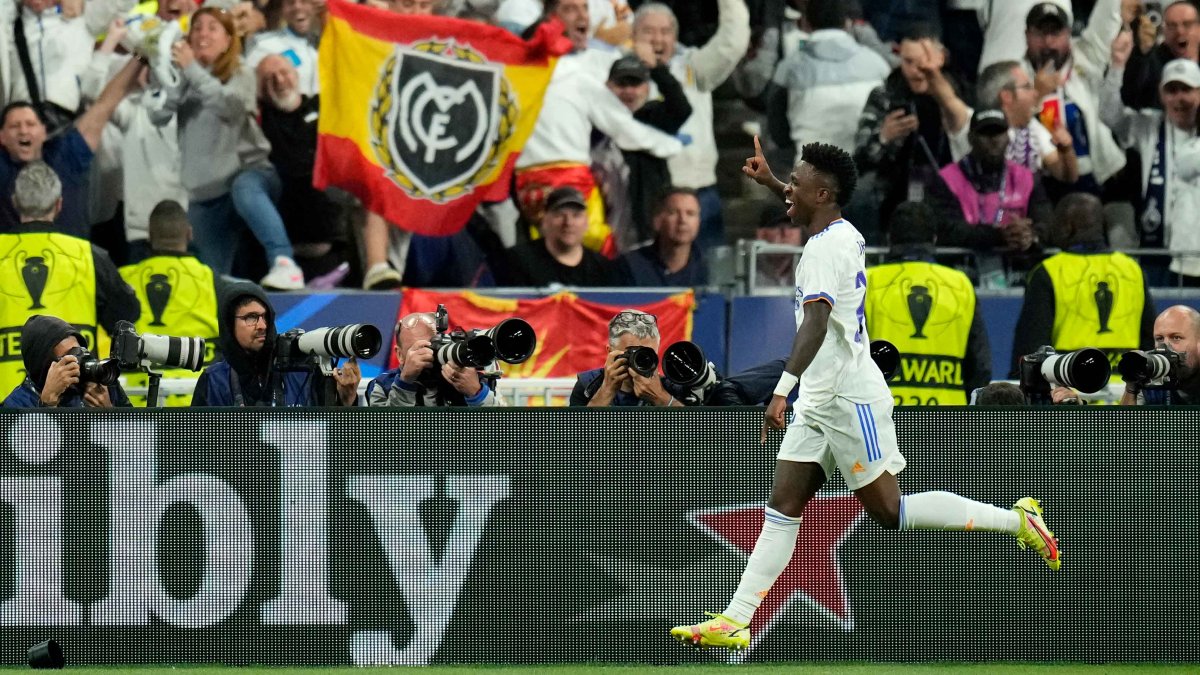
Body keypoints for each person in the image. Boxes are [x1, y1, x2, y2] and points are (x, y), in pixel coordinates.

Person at [671, 141, 1060, 651]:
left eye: (796, 182)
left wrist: (781, 391)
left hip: (847, 398)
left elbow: (814, 325)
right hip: (820, 396)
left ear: (822, 193)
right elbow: (807, 204)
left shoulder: (823, 249)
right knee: (783, 507)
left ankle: (1016, 520)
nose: (789, 189)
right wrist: (771, 182)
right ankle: (736, 619)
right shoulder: (842, 231)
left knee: (890, 512)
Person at [152, 6, 305, 290]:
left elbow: (229, 108)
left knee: (244, 188)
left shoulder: (242, 73)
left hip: (249, 174)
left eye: (213, 28)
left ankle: (284, 262)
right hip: (206, 192)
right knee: (211, 283)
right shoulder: (185, 76)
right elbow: (157, 115)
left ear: (227, 40)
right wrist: (175, 81)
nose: (203, 34)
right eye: (197, 27)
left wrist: (192, 70)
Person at [516, 0, 682, 257]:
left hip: (527, 188)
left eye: (585, 7)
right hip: (570, 179)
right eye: (571, 9)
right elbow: (622, 128)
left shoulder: (511, 79)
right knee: (598, 251)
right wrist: (670, 145)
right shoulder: (575, 76)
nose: (582, 15)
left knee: (546, 256)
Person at [0, 161, 139, 395]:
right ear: (59, 204)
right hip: (77, 401)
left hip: (6, 401)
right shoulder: (89, 257)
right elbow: (127, 314)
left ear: (14, 202)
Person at [630, 0, 750, 251]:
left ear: (675, 36)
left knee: (708, 270)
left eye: (665, 31)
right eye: (648, 31)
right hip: (646, 196)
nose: (657, 39)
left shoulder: (693, 66)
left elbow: (733, 41)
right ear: (633, 36)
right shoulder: (621, 74)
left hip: (698, 190)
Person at [1009, 192, 1155, 378]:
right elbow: (1150, 338)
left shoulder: (1049, 271)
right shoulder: (1132, 269)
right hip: (1125, 388)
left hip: (1071, 386)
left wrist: (1020, 380)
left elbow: (1032, 342)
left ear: (1067, 226)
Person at [0, 57, 145, 237]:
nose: (23, 131)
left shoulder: (67, 155)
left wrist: (141, 56)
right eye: (15, 126)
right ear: (2, 137)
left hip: (72, 255)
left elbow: (105, 105)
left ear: (43, 131)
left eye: (30, 124)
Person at [865, 201, 991, 406]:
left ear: (889, 238)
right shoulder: (960, 284)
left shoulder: (868, 281)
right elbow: (980, 365)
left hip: (882, 414)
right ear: (934, 239)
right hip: (948, 414)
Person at [854, 25, 972, 233]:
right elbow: (859, 160)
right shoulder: (885, 95)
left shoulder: (958, 93)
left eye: (922, 62)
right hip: (894, 195)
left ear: (940, 59)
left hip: (951, 193)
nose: (916, 71)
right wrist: (883, 137)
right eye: (908, 62)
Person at [1102, 57, 1200, 285]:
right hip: (1155, 251)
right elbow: (1109, 115)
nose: (1179, 98)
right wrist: (1116, 66)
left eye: (1186, 90)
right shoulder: (1149, 127)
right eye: (1171, 90)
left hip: (1195, 255)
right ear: (1161, 94)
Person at [927, 108, 1050, 286]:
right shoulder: (947, 179)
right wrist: (998, 236)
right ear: (970, 138)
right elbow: (947, 230)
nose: (993, 140)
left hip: (1019, 274)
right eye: (985, 134)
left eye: (998, 133)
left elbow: (1046, 222)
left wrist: (1030, 236)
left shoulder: (1026, 178)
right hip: (962, 275)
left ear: (1008, 138)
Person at [118, 200, 222, 406]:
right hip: (196, 401)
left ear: (149, 236)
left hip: (135, 400)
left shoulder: (122, 278)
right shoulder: (210, 279)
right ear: (189, 234)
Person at [190, 281, 360, 406]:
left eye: (265, 317)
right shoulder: (213, 381)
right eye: (251, 317)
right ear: (229, 324)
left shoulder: (305, 372)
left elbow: (333, 436)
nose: (262, 325)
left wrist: (346, 401)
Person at [767, 0, 890, 157]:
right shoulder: (878, 64)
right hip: (866, 168)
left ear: (805, 23)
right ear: (847, 23)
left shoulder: (789, 69)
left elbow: (778, 134)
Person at [596, 52, 692, 250]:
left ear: (647, 88)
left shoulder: (653, 117)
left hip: (645, 225)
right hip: (601, 221)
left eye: (636, 84)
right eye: (621, 84)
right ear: (607, 87)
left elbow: (681, 108)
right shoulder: (594, 121)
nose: (629, 91)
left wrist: (657, 69)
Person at [968, 59, 1078, 184]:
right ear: (1007, 96)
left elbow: (1066, 176)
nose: (1035, 93)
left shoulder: (1032, 127)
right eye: (1027, 87)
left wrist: (1066, 150)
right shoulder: (974, 127)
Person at [366, 311, 502, 407]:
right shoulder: (383, 385)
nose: (427, 353)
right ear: (400, 355)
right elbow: (386, 435)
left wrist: (476, 393)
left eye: (433, 345)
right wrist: (405, 383)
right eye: (418, 349)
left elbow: (502, 432)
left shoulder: (472, 379)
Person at [1, 314, 131, 408]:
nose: (79, 364)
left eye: (82, 353)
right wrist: (47, 404)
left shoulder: (104, 385)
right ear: (45, 368)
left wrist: (109, 413)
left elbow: (136, 436)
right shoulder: (16, 404)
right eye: (70, 358)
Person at [569, 308, 689, 406]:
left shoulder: (670, 388)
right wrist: (606, 391)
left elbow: (695, 427)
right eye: (631, 353)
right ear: (610, 352)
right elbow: (576, 429)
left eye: (646, 354)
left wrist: (662, 398)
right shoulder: (588, 385)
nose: (639, 361)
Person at [500, 187, 615, 286]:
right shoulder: (517, 262)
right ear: (545, 221)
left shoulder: (603, 269)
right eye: (559, 215)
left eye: (576, 216)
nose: (568, 222)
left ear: (586, 223)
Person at [617, 187, 706, 287]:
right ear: (657, 221)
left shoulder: (709, 269)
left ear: (699, 222)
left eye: (690, 213)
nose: (683, 220)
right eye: (673, 212)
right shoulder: (630, 266)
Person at [1122, 0, 1200, 109]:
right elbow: (1130, 96)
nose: (1180, 31)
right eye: (1172, 26)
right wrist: (1143, 53)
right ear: (1164, 31)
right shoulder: (1151, 61)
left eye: (1187, 24)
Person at [1121, 304, 1200, 405]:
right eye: (1159, 339)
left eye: (1176, 337)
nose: (1165, 346)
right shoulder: (1150, 379)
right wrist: (1131, 387)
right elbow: (1126, 415)